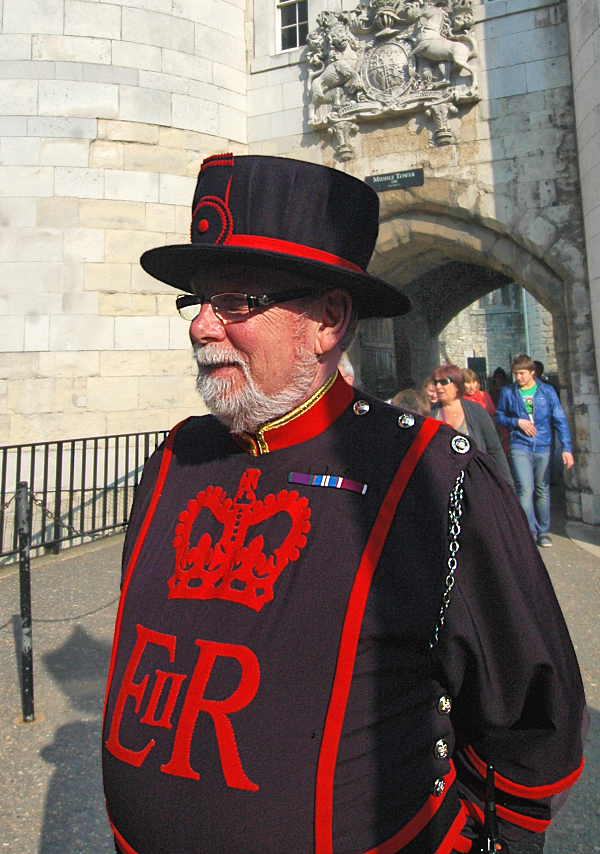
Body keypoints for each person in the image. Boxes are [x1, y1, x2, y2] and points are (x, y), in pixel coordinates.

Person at [102, 154, 585, 854]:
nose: (201, 327)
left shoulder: (434, 478)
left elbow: (530, 715)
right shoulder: (176, 459)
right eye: (197, 301)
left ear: (327, 319)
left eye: (235, 302)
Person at [496, 354, 575, 547]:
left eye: (522, 373)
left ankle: (543, 531)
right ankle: (528, 532)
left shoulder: (546, 391)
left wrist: (567, 448)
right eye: (515, 374)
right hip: (519, 444)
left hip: (542, 445)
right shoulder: (508, 392)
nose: (518, 377)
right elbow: (499, 417)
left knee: (542, 489)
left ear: (532, 372)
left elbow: (560, 420)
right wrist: (517, 422)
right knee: (525, 489)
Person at [432, 364, 514, 488]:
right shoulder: (431, 414)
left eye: (443, 382)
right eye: (436, 382)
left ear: (456, 385)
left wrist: (508, 488)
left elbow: (495, 449)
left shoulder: (476, 411)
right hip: (444, 486)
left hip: (475, 484)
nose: (438, 386)